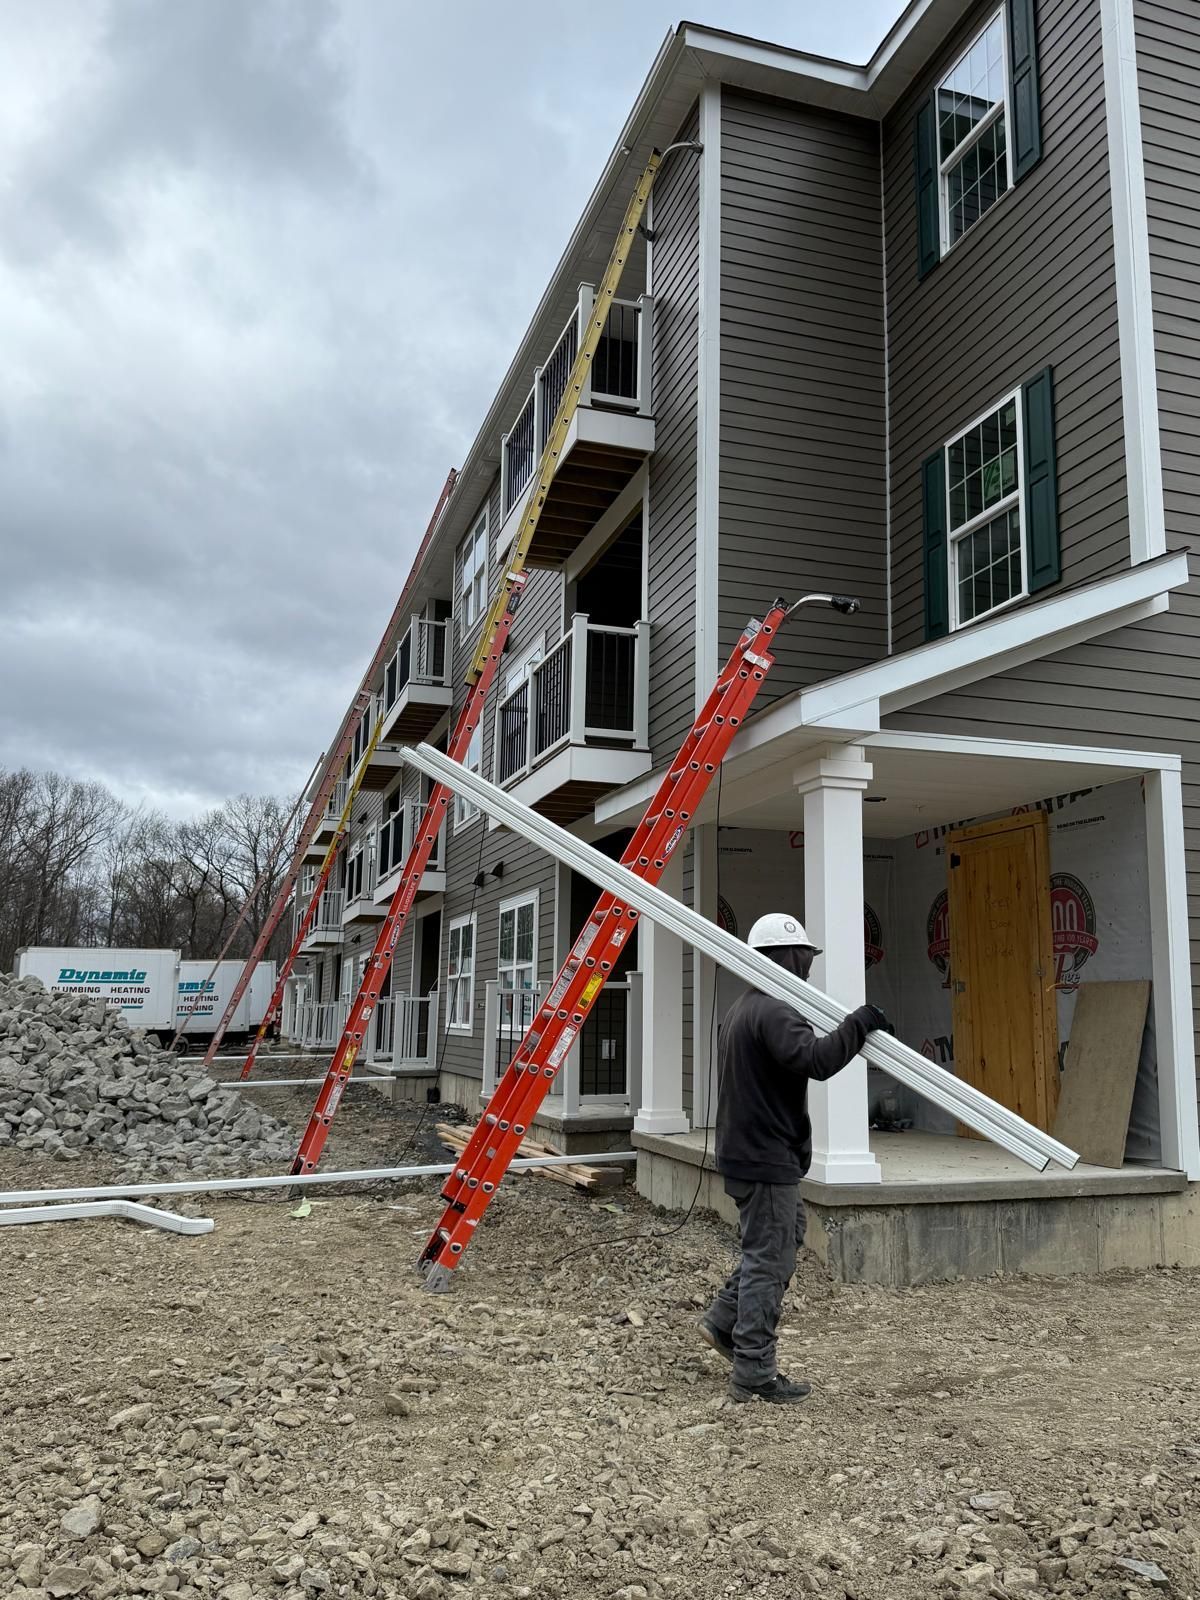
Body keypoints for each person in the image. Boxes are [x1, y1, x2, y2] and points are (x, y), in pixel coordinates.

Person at [700, 912, 889, 1404]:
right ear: (788, 957)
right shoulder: (775, 1010)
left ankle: (725, 1322)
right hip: (766, 1156)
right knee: (770, 1259)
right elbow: (817, 1061)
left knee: (780, 1239)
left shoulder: (743, 1008)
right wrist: (860, 1022)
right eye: (803, 958)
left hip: (747, 1154)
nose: (806, 968)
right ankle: (754, 1373)